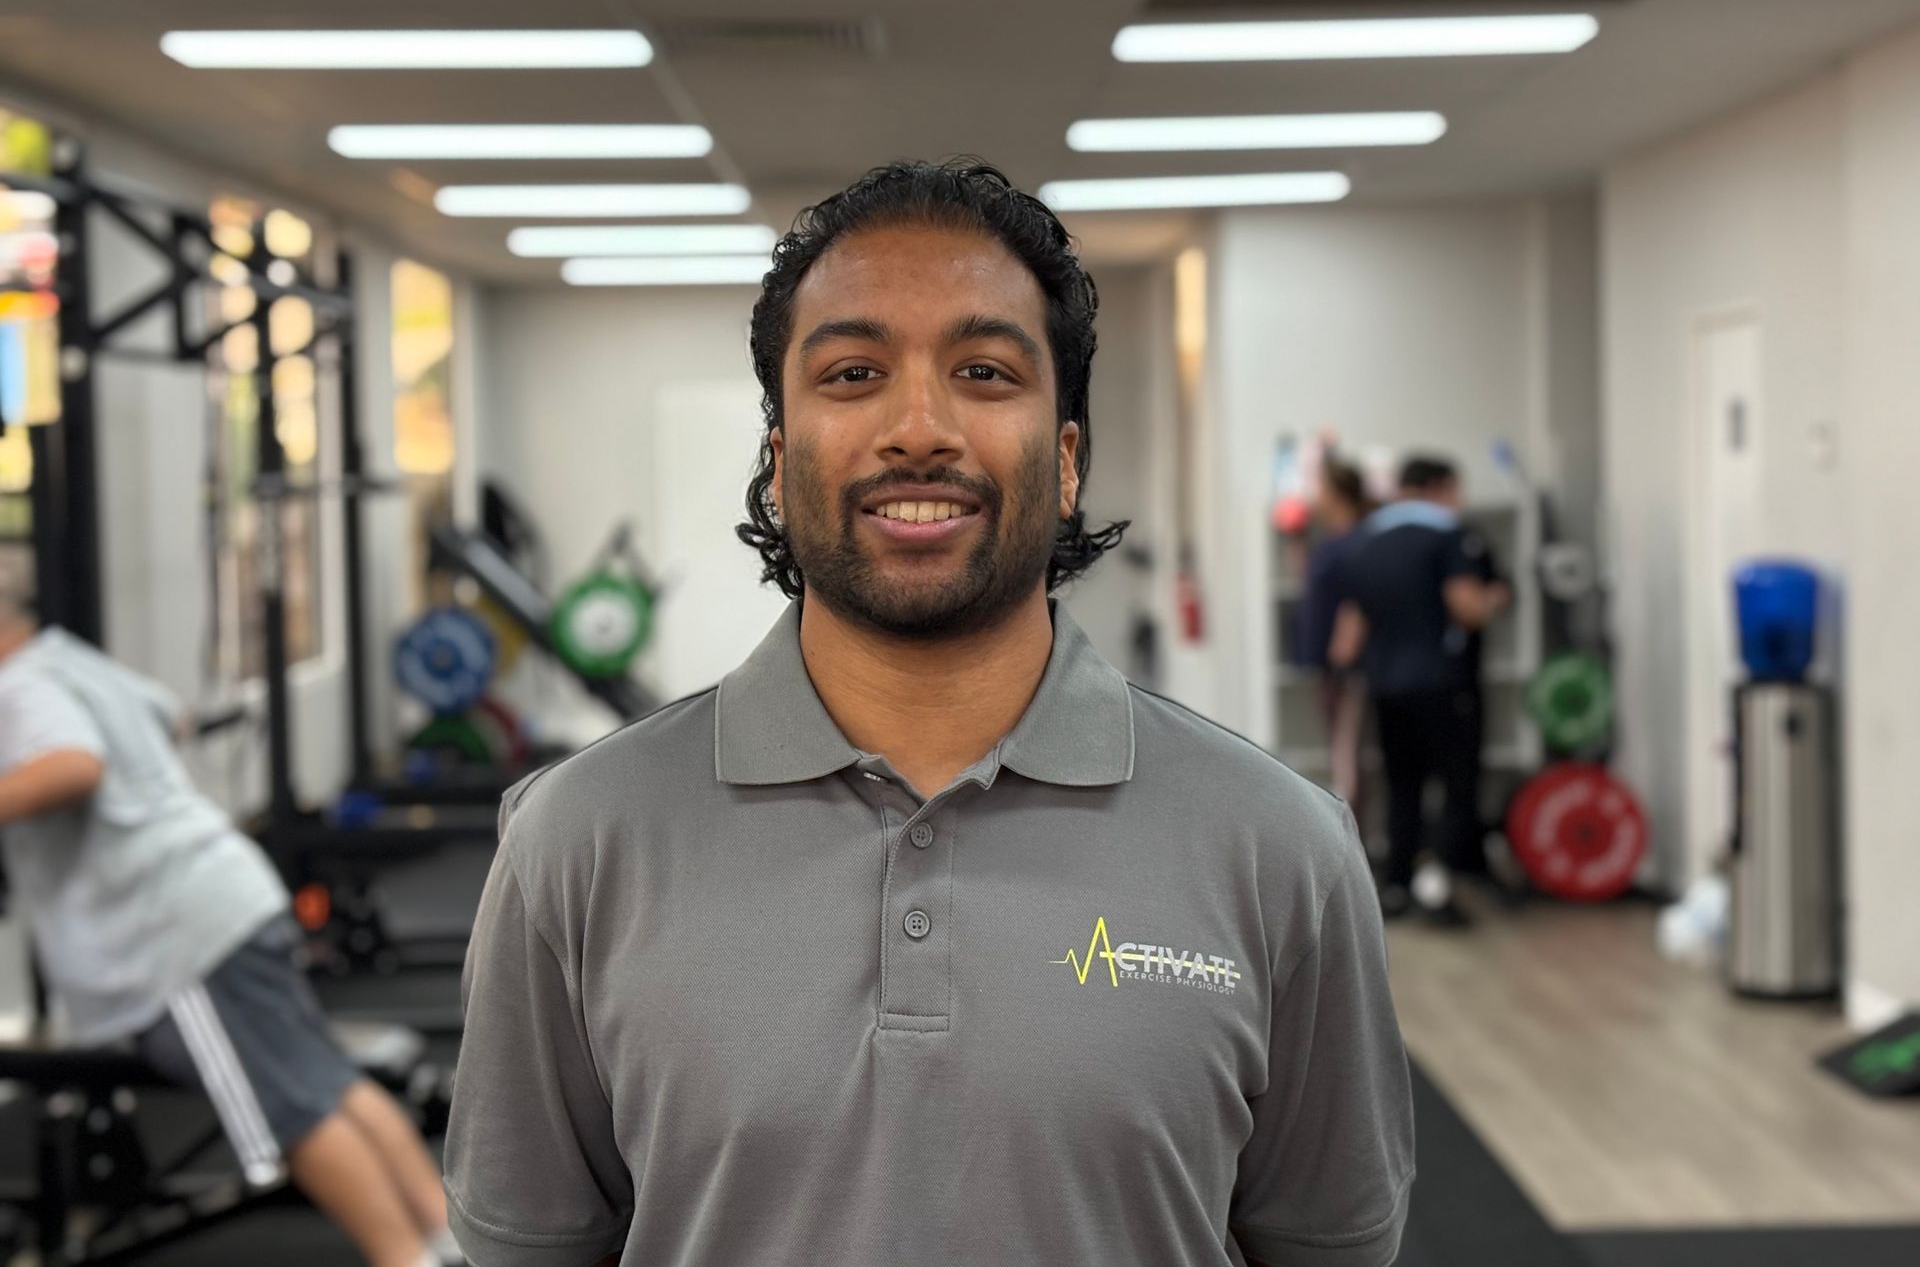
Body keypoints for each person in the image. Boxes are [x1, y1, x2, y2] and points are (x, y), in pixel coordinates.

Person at [445, 160, 1414, 1267]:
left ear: (1066, 459)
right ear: (777, 457)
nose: (918, 427)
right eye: (854, 373)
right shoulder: (573, 843)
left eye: (985, 371)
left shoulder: (1283, 848)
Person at [0, 549, 461, 1267]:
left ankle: (405, 1258)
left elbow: (73, 764)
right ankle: (450, 1239)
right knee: (326, 1081)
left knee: (293, 1110)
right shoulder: (67, 659)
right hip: (230, 893)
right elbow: (171, 716)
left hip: (176, 936)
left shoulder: (21, 688)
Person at [1330, 455, 1510, 925]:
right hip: (1443, 683)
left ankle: (1396, 887)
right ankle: (1438, 888)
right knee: (1455, 785)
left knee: (1402, 786)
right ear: (1439, 488)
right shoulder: (1447, 533)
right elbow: (1466, 608)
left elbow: (1347, 642)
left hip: (1386, 687)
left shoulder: (1367, 541)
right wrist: (1495, 598)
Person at [1296, 456, 1375, 820]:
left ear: (1338, 493)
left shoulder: (1360, 540)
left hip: (1347, 664)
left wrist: (1345, 652)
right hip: (1324, 662)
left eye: (1322, 489)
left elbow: (1359, 601)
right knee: (1340, 748)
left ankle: (1354, 836)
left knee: (1349, 751)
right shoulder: (1329, 541)